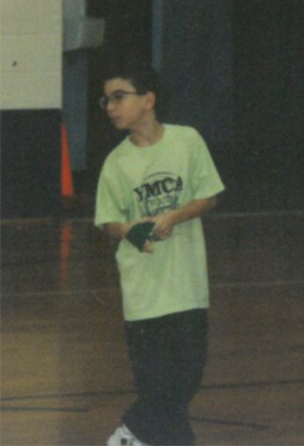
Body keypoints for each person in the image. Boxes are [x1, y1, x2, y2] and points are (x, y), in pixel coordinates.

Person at [94, 60, 225, 446]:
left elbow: (209, 196)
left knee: (184, 384)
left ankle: (131, 436)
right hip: (145, 294)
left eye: (119, 97)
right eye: (106, 100)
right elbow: (108, 222)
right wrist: (130, 231)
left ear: (148, 99)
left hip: (187, 288)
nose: (111, 107)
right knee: (159, 390)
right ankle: (128, 438)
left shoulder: (187, 141)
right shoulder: (116, 163)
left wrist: (177, 215)